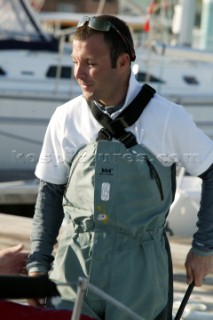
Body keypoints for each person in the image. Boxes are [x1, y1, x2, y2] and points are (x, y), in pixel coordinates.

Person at [26, 14, 213, 320]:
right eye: (75, 61)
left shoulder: (168, 118)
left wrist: (204, 248)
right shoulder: (65, 117)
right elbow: (49, 192)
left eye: (90, 63)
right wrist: (37, 264)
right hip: (73, 276)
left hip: (139, 282)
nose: (78, 73)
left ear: (123, 62)